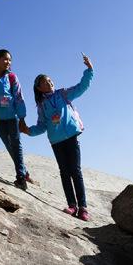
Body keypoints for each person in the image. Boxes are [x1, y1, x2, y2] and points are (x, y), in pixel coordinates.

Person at [20, 54, 94, 221]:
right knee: (64, 172)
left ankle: (83, 207)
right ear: (39, 88)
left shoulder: (63, 94)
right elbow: (42, 126)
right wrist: (28, 131)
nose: (49, 83)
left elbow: (81, 87)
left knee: (75, 170)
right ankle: (71, 205)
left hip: (71, 136)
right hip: (56, 141)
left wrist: (89, 70)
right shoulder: (42, 105)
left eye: (50, 80)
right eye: (45, 82)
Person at [0, 49, 31, 190]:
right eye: (5, 59)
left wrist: (22, 118)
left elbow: (18, 97)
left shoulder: (11, 77)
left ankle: (21, 178)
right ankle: (24, 171)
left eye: (10, 60)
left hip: (12, 117)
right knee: (9, 145)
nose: (8, 62)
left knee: (16, 144)